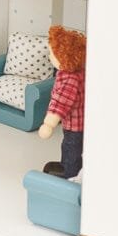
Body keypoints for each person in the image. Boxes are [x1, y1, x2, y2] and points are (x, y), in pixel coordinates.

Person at [38, 26, 87, 179]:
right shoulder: (77, 71)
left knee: (70, 147)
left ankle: (70, 173)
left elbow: (61, 103)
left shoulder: (70, 80)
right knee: (73, 147)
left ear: (63, 56)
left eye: (52, 54)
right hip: (79, 122)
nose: (50, 56)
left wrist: (48, 124)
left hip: (75, 126)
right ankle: (71, 165)